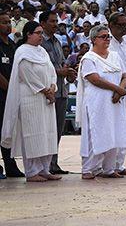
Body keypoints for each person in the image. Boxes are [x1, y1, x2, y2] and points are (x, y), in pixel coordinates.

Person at [0, 21, 60, 182]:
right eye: (38, 33)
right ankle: (32, 171)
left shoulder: (42, 52)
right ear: (29, 34)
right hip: (31, 98)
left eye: (42, 33)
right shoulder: (22, 51)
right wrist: (45, 90)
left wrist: (52, 87)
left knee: (47, 133)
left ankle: (45, 168)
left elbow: (51, 71)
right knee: (33, 133)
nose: (41, 36)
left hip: (47, 99)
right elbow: (26, 74)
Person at [76, 25, 126, 179]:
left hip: (115, 101)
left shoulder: (114, 56)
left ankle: (109, 168)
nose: (107, 39)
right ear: (94, 40)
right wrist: (118, 89)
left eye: (108, 36)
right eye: (103, 36)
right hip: (97, 102)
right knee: (96, 132)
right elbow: (95, 79)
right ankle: (88, 168)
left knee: (114, 131)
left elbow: (124, 76)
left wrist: (120, 90)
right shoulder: (89, 58)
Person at [38, 11, 72, 175]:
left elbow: (61, 63)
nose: (55, 24)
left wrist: (68, 72)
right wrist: (61, 72)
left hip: (61, 91)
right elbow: (45, 68)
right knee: (46, 129)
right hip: (47, 91)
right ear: (42, 23)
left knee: (58, 130)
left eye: (56, 21)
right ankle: (43, 165)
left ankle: (53, 163)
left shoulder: (57, 41)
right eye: (52, 21)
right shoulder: (39, 43)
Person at [107, 12, 126, 175]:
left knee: (125, 127)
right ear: (111, 25)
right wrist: (117, 89)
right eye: (120, 25)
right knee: (115, 126)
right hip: (116, 86)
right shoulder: (108, 43)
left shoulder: (124, 42)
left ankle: (119, 164)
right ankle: (110, 165)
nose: (124, 28)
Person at [0, 12, 24, 178]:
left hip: (10, 95)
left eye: (9, 22)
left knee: (8, 129)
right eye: (4, 22)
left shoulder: (12, 45)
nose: (8, 25)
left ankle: (10, 165)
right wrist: (9, 89)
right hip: (3, 93)